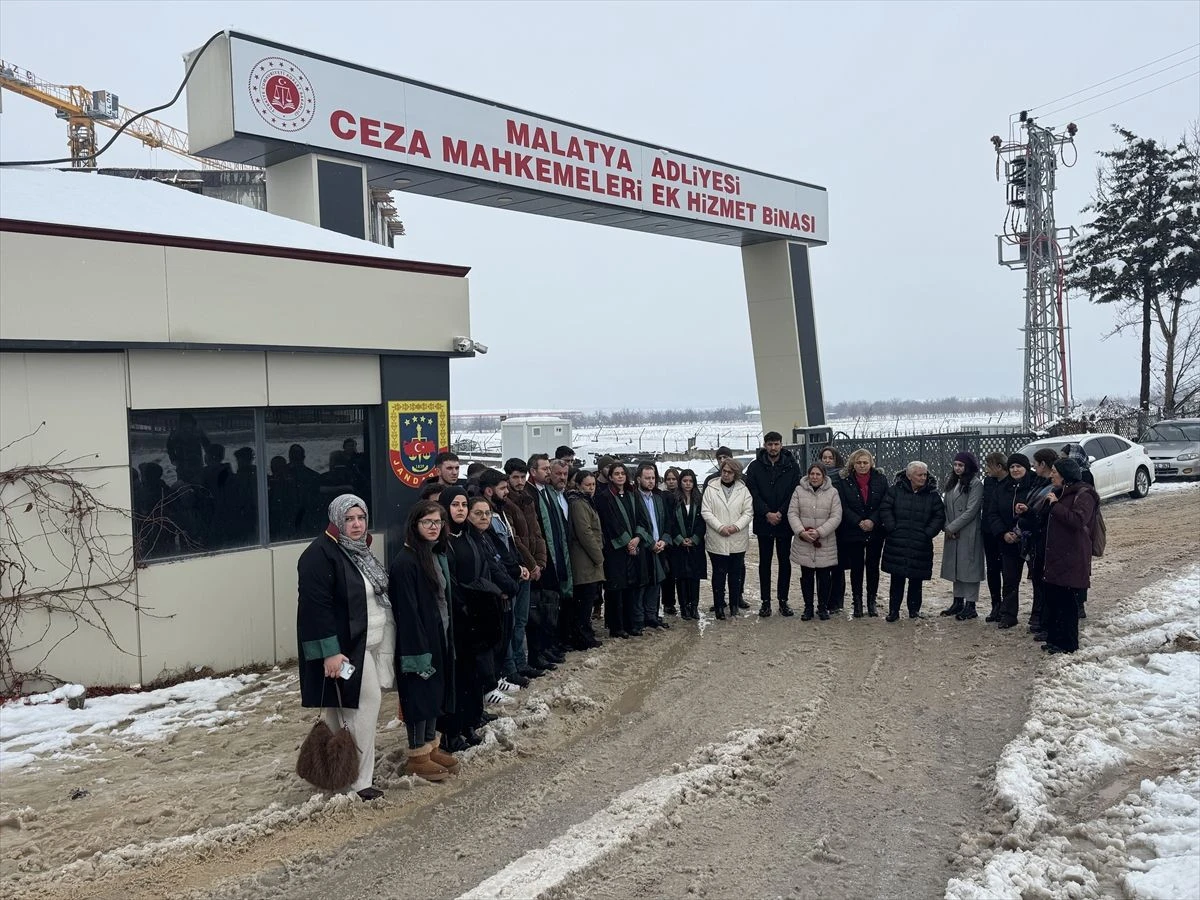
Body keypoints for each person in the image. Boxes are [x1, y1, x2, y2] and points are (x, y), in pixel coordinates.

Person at [296, 494, 396, 800]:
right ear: (337, 520)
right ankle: (360, 782)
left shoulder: (359, 552)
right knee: (365, 706)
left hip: (366, 642)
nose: (356, 524)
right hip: (347, 650)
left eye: (361, 518)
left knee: (342, 713)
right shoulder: (319, 554)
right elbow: (316, 608)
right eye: (350, 519)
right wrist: (330, 652)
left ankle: (339, 773)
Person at [389, 500, 461, 782]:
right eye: (427, 522)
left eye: (438, 523)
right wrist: (418, 652)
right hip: (417, 643)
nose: (434, 527)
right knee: (418, 697)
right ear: (414, 525)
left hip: (438, 636)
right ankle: (417, 754)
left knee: (434, 695)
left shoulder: (432, 555)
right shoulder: (405, 562)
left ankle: (431, 746)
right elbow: (407, 612)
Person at [480, 468, 540, 682]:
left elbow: (512, 543)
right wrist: (513, 571)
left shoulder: (502, 510)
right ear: (489, 490)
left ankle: (519, 663)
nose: (507, 491)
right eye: (502, 488)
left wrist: (524, 565)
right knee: (510, 624)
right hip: (505, 577)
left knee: (520, 621)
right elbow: (496, 551)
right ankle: (509, 668)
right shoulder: (486, 514)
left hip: (517, 571)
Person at [1041, 458, 1099, 654]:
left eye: (1055, 472)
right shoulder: (1060, 492)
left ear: (1065, 474)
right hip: (1056, 554)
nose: (1051, 475)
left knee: (1067, 602)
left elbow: (1077, 520)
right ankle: (1055, 639)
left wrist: (1056, 506)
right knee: (1054, 598)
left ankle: (1068, 643)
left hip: (1072, 556)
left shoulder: (1085, 495)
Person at [880, 461, 946, 621]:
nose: (923, 478)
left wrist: (928, 533)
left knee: (916, 580)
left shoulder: (932, 495)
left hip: (920, 543)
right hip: (897, 541)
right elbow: (885, 508)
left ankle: (913, 611)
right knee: (897, 579)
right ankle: (894, 611)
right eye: (919, 475)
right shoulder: (895, 491)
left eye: (925, 474)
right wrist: (892, 527)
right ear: (909, 476)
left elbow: (939, 516)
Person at [745, 431, 800, 618]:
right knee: (765, 562)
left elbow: (794, 492)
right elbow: (752, 492)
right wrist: (766, 512)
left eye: (776, 444)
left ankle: (783, 601)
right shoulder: (755, 467)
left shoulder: (792, 466)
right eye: (770, 444)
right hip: (763, 520)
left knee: (784, 562)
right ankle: (765, 602)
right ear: (764, 445)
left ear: (781, 445)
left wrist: (781, 512)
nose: (773, 448)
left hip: (784, 520)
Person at [834, 449, 889, 617]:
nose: (862, 466)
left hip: (875, 529)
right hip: (853, 529)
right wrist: (858, 521)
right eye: (859, 463)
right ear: (853, 464)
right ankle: (857, 602)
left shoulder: (880, 479)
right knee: (856, 568)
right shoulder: (844, 481)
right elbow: (842, 505)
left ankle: (871, 601)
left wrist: (873, 520)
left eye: (865, 462)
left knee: (873, 567)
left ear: (871, 463)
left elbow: (885, 502)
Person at [986, 453, 1036, 630]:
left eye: (1019, 467)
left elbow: (1039, 511)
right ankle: (1008, 614)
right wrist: (1003, 533)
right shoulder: (1002, 488)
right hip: (1007, 541)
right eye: (1012, 467)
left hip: (1030, 540)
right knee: (1009, 579)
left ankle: (1037, 615)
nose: (1015, 470)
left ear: (1026, 468)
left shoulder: (1034, 485)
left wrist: (1023, 527)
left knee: (1036, 579)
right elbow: (992, 513)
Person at [788, 463, 843, 620]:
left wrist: (820, 532)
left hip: (825, 541)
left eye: (818, 474)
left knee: (824, 577)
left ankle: (823, 607)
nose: (814, 477)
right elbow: (792, 513)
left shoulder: (833, 493)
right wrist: (800, 531)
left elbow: (836, 516)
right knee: (806, 576)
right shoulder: (799, 491)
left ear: (824, 476)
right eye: (812, 474)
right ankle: (808, 607)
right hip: (804, 540)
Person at [701, 457, 754, 620]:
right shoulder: (711, 488)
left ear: (736, 474)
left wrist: (735, 527)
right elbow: (706, 511)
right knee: (718, 574)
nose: (726, 475)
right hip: (717, 538)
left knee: (735, 574)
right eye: (724, 471)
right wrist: (720, 527)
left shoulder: (743, 490)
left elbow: (748, 512)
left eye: (730, 472)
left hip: (737, 538)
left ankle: (734, 606)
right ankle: (719, 607)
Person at [595, 462, 643, 637]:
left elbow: (641, 519)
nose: (620, 476)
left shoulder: (633, 494)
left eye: (623, 473)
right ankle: (616, 626)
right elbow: (610, 523)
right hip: (615, 549)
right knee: (616, 588)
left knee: (631, 587)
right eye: (616, 473)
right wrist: (626, 543)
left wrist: (637, 539)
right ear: (610, 477)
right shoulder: (604, 497)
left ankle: (631, 624)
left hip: (633, 548)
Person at [938, 452, 985, 621]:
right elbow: (945, 506)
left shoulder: (975, 484)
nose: (957, 468)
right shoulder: (952, 483)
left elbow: (971, 510)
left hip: (968, 532)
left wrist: (952, 527)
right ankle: (957, 601)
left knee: (969, 568)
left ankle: (970, 604)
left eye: (961, 465)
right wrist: (947, 526)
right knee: (956, 567)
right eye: (956, 464)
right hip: (952, 532)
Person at [566, 468, 605, 649]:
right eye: (587, 485)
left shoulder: (586, 501)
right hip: (584, 559)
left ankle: (584, 634)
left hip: (589, 558)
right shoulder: (578, 504)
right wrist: (599, 557)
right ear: (579, 485)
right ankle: (582, 637)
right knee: (583, 601)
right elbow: (585, 533)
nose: (591, 488)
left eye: (593, 485)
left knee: (586, 600)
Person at [1023, 449, 1059, 639]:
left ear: (1043, 464)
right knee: (1036, 579)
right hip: (1033, 538)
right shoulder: (1037, 483)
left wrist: (1028, 513)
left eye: (1035, 464)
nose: (1033, 467)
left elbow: (1041, 512)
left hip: (1043, 538)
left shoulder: (1052, 488)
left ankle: (1042, 618)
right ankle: (1037, 614)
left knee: (1043, 581)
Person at [634, 462, 671, 631]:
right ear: (639, 479)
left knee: (656, 582)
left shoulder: (658, 498)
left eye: (653, 478)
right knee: (642, 583)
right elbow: (637, 525)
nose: (651, 481)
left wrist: (664, 539)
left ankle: (652, 616)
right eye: (647, 478)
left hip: (659, 546)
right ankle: (639, 618)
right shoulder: (634, 498)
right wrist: (650, 543)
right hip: (643, 547)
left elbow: (666, 522)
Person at [1060, 444, 1095, 619]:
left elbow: (1083, 507)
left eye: (1065, 456)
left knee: (1080, 567)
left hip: (1082, 527)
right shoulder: (1064, 479)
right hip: (1072, 525)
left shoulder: (1084, 476)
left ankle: (1080, 603)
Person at [669, 469, 707, 619]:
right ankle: (684, 607)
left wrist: (695, 538)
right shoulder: (674, 499)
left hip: (695, 545)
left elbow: (702, 521)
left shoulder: (700, 498)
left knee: (694, 576)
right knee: (681, 577)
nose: (688, 484)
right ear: (680, 482)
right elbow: (671, 522)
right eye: (685, 481)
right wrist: (679, 539)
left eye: (690, 481)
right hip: (679, 546)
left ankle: (694, 606)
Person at [980, 452, 1008, 623]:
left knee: (1007, 570)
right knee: (992, 569)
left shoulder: (1010, 482)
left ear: (998, 466)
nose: (986, 470)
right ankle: (995, 604)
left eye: (989, 466)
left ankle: (1007, 606)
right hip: (989, 531)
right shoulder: (989, 482)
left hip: (1004, 532)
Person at [659, 467, 681, 615]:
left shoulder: (683, 496)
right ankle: (668, 602)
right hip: (668, 539)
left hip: (681, 539)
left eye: (674, 479)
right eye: (669, 479)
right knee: (668, 574)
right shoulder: (662, 496)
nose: (671, 482)